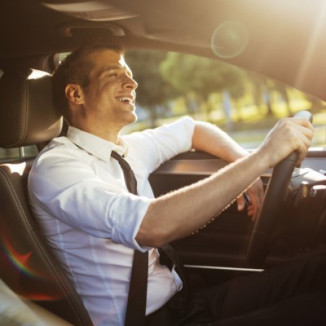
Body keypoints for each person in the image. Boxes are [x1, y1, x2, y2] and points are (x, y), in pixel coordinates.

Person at [28, 37, 325, 326]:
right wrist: (259, 159)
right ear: (75, 94)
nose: (132, 83)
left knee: (317, 269)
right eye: (114, 75)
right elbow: (151, 227)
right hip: (145, 321)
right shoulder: (56, 168)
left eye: (129, 75)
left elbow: (193, 129)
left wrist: (238, 159)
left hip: (186, 303)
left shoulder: (127, 148)